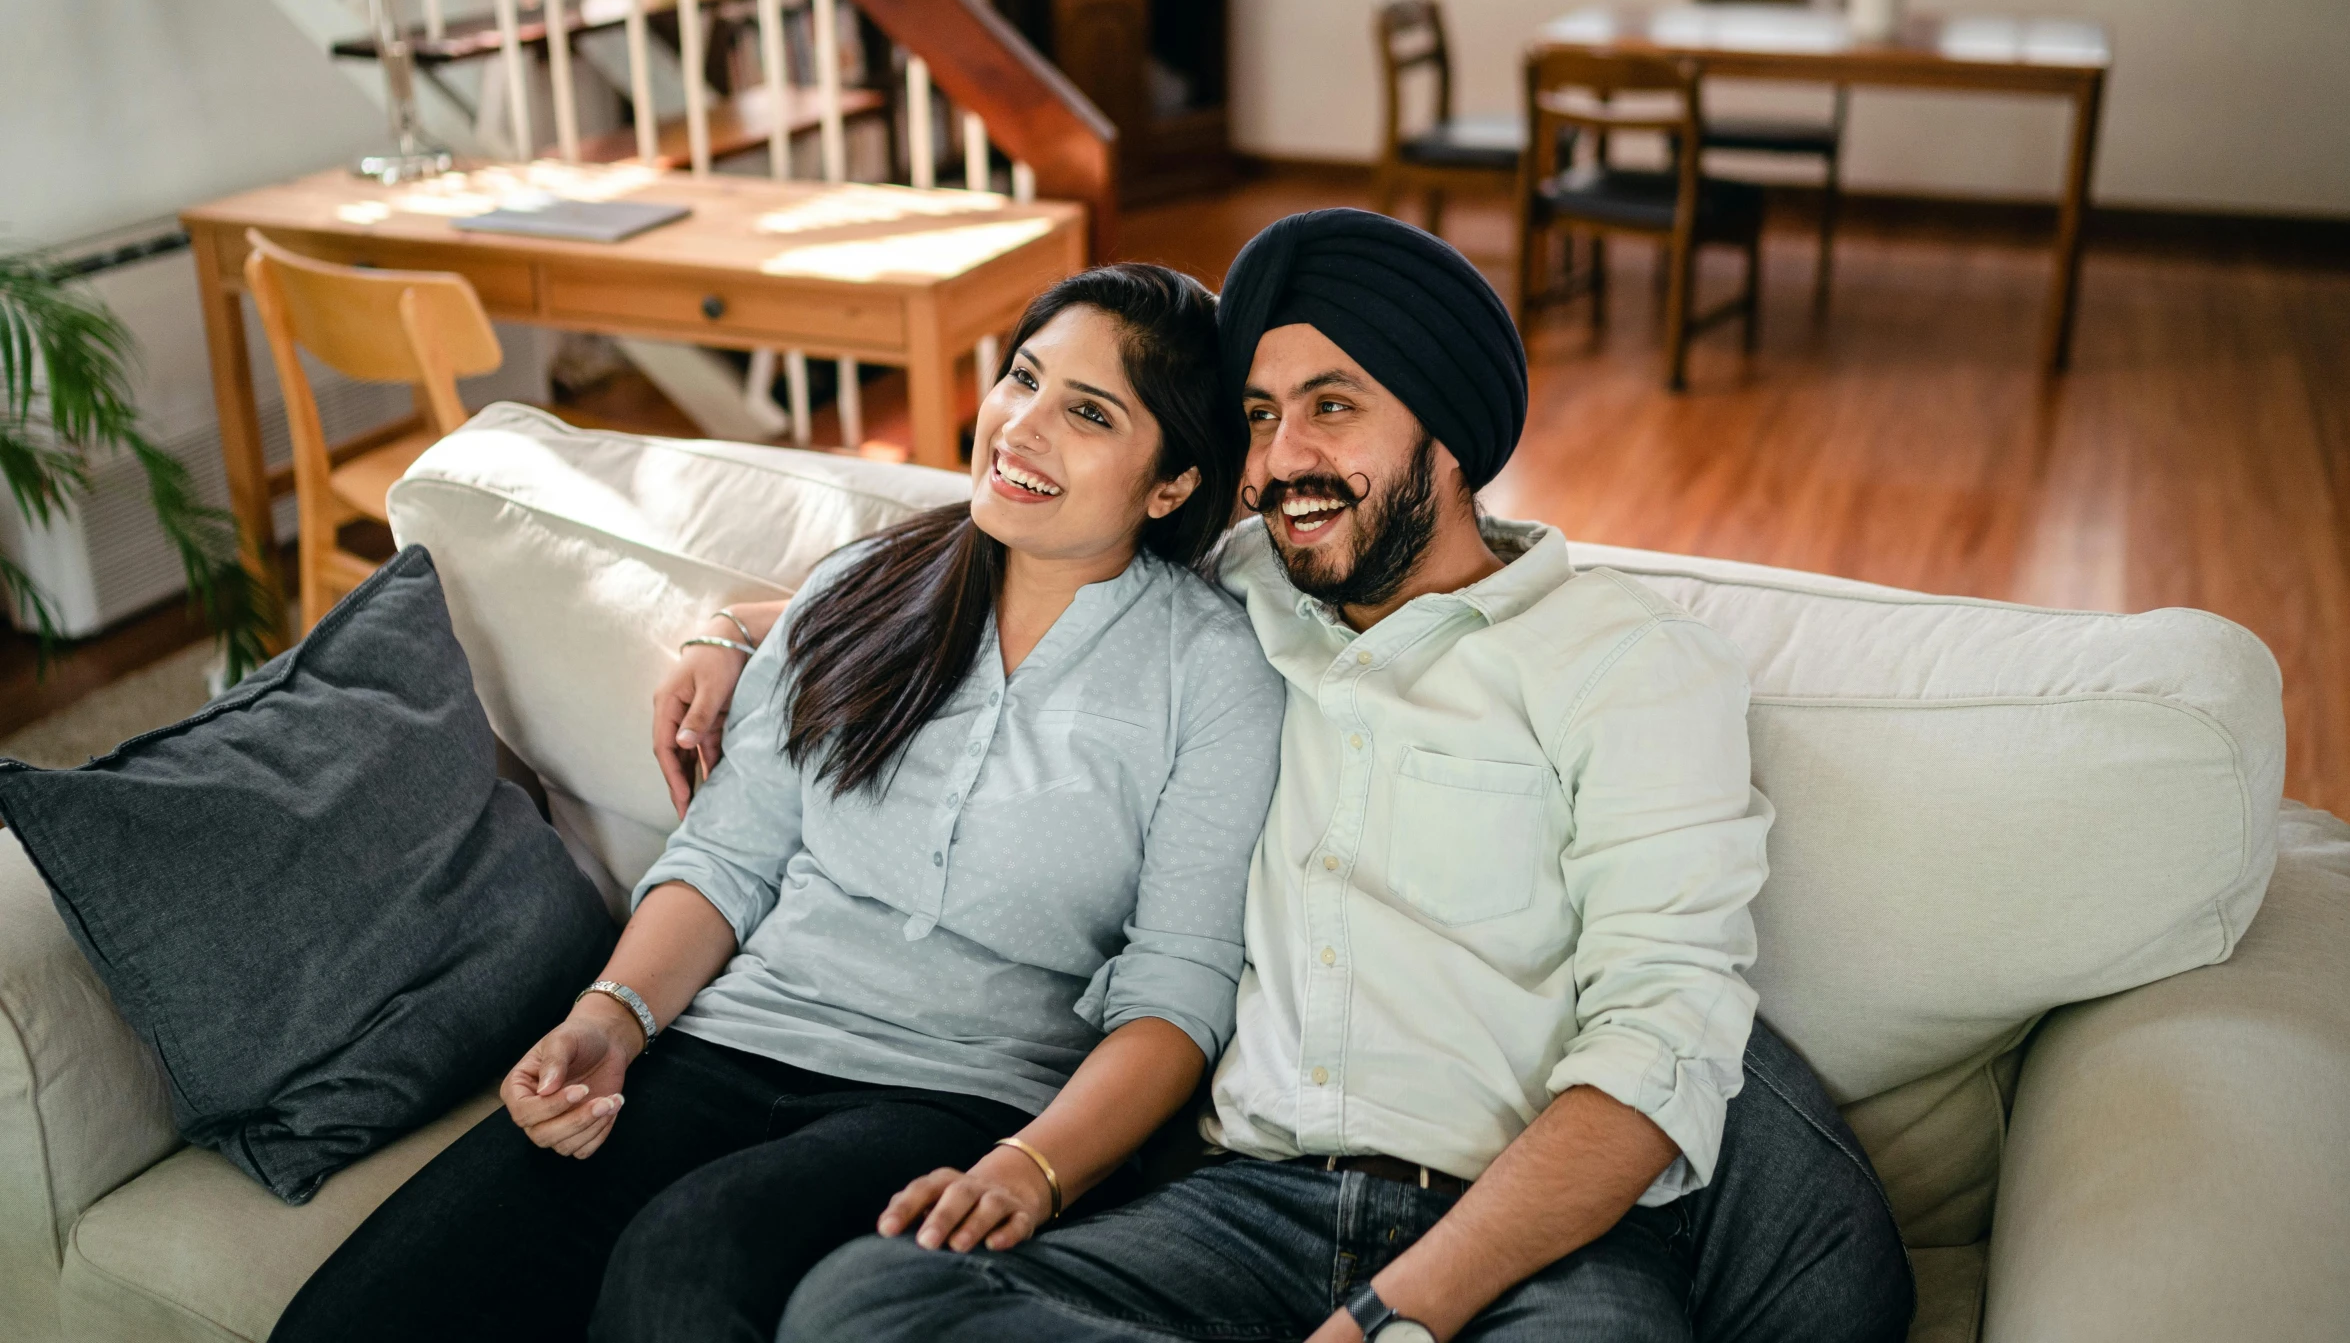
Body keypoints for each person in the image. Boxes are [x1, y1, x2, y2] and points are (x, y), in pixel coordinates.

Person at [778, 209, 1915, 1343]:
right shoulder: (1240, 596)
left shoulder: (1627, 663)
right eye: (1262, 417)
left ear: (1452, 433)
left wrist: (1394, 1316)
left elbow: (1658, 1045)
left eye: (1333, 406)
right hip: (1242, 1207)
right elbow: (1029, 553)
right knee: (862, 1301)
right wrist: (746, 635)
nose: (1279, 463)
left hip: (1527, 1248)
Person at [269, 263, 1287, 1343]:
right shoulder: (862, 593)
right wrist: (607, 1020)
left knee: (681, 1272)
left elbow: (1178, 994)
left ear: (1171, 483)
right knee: (355, 1314)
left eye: (1088, 413)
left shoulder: (1213, 674)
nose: (1022, 428)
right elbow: (727, 858)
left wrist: (1033, 1167)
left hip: (960, 1103)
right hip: (720, 1043)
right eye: (1022, 379)